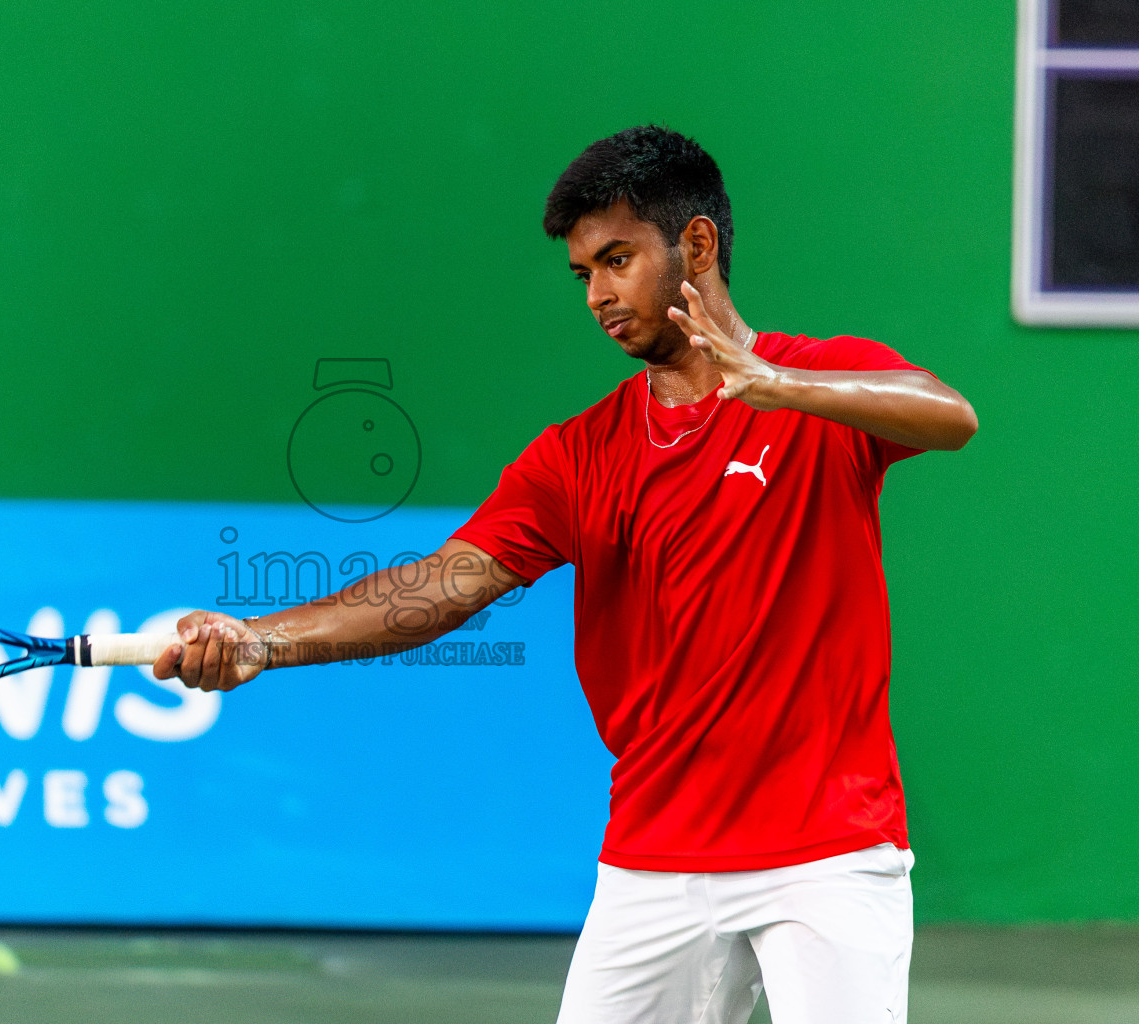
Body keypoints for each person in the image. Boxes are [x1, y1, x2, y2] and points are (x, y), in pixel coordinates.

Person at [153, 125, 977, 1023]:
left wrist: (777, 384)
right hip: (655, 859)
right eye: (584, 273)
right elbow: (442, 585)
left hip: (827, 852)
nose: (598, 294)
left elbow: (950, 415)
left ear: (696, 245)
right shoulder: (576, 457)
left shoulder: (818, 382)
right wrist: (260, 641)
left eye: (617, 260)